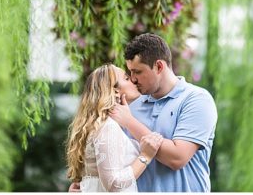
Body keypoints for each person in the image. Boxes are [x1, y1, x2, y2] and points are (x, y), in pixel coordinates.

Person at [111, 33, 218, 192]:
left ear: (159, 66)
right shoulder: (130, 106)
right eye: (130, 73)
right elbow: (115, 162)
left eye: (138, 72)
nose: (132, 79)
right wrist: (88, 184)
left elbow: (177, 158)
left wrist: (129, 122)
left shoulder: (197, 100)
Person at [65, 64, 165, 192]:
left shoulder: (97, 124)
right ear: (115, 91)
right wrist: (145, 156)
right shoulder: (108, 127)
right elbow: (113, 184)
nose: (134, 80)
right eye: (127, 79)